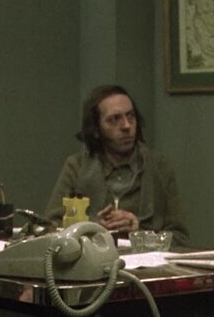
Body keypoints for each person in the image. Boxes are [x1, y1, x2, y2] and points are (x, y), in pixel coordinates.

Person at [44, 84, 190, 246]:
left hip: (142, 260)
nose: (127, 126)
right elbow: (49, 231)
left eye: (131, 116)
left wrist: (139, 233)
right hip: (92, 259)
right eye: (115, 119)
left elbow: (180, 238)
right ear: (96, 129)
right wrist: (91, 228)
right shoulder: (77, 167)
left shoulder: (159, 167)